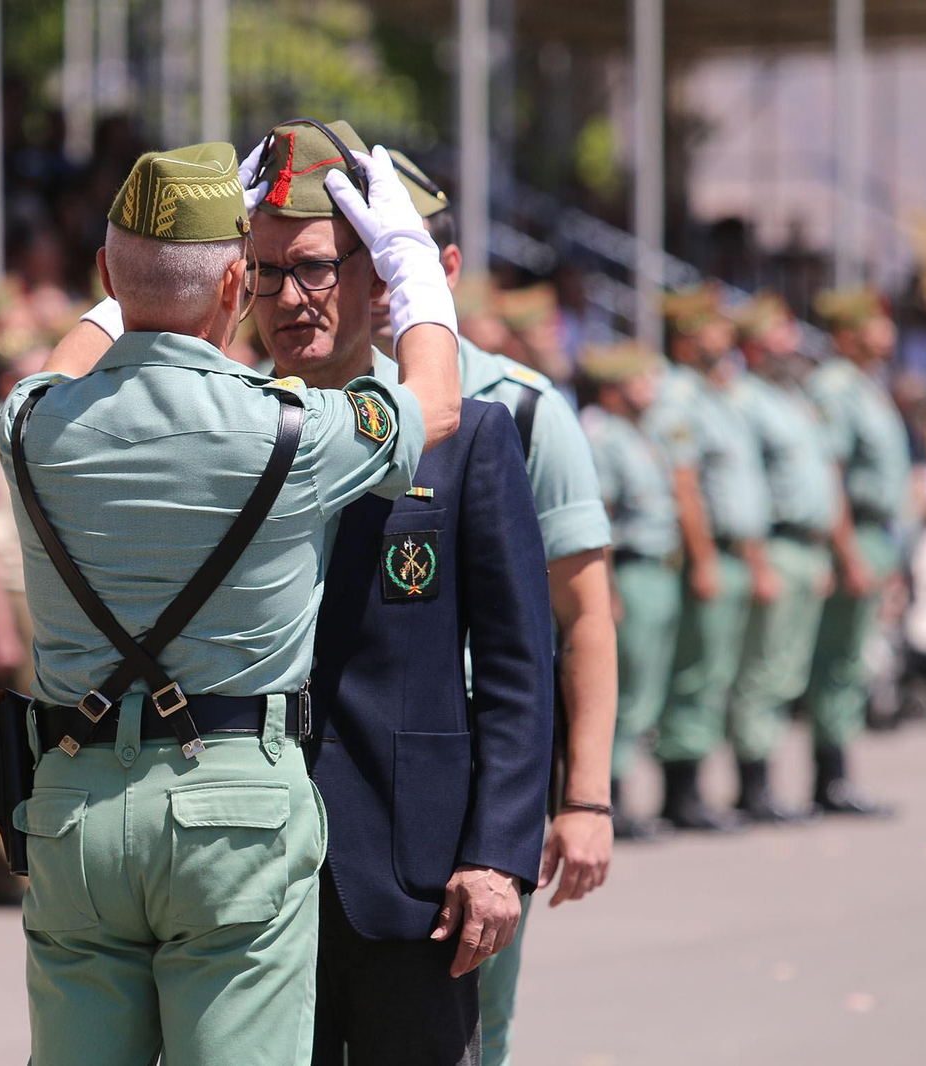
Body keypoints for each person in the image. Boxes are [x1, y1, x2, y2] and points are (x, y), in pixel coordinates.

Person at [6, 138, 458, 1066]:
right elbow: (436, 402)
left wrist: (131, 285)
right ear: (233, 286)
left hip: (74, 808)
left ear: (104, 271)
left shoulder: (31, 427)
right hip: (232, 813)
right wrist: (411, 268)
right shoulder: (288, 430)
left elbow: (63, 361)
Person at [240, 119, 556, 1065]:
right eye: (264, 273)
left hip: (412, 865)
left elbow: (515, 667)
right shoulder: (227, 433)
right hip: (247, 867)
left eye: (317, 268)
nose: (291, 299)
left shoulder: (469, 439)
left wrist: (498, 853)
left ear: (383, 277)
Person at [381, 150, 618, 1066]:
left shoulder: (518, 410)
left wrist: (585, 797)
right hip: (346, 758)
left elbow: (586, 615)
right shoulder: (309, 398)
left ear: (442, 269)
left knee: (471, 1021)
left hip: (473, 765)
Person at [644, 287, 771, 833]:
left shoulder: (717, 393)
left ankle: (700, 787)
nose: (727, 338)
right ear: (690, 335)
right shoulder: (679, 397)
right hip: (708, 554)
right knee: (695, 675)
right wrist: (702, 560)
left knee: (718, 673)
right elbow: (685, 487)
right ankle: (682, 791)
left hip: (734, 552)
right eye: (716, 328)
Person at [724, 295, 842, 822]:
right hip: (771, 543)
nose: (789, 345)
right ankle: (754, 784)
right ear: (753, 345)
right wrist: (757, 562)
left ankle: (771, 783)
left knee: (789, 671)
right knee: (763, 672)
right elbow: (743, 491)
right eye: (777, 336)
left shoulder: (793, 397)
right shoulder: (745, 401)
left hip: (806, 546)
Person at [799, 287, 910, 817]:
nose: (886, 332)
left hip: (875, 535)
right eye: (874, 323)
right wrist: (848, 553)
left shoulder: (867, 385)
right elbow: (832, 476)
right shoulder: (836, 387)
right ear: (848, 333)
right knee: (837, 661)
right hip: (853, 535)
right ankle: (829, 779)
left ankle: (838, 774)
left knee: (851, 661)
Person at [578, 343, 680, 841]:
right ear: (616, 386)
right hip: (631, 575)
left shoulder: (642, 434)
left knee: (647, 690)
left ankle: (630, 792)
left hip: (659, 572)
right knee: (625, 689)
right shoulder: (605, 438)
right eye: (641, 379)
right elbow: (605, 524)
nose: (652, 389)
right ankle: (611, 795)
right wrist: (607, 591)